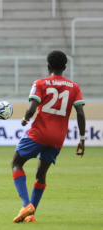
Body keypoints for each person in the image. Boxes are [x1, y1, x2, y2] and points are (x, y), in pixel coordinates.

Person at [11, 50, 86, 223]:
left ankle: (26, 205)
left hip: (39, 134)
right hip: (58, 138)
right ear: (65, 67)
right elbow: (80, 113)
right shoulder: (74, 87)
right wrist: (82, 138)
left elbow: (32, 109)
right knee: (41, 174)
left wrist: (25, 119)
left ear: (48, 66)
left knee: (16, 163)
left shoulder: (40, 83)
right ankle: (31, 215)